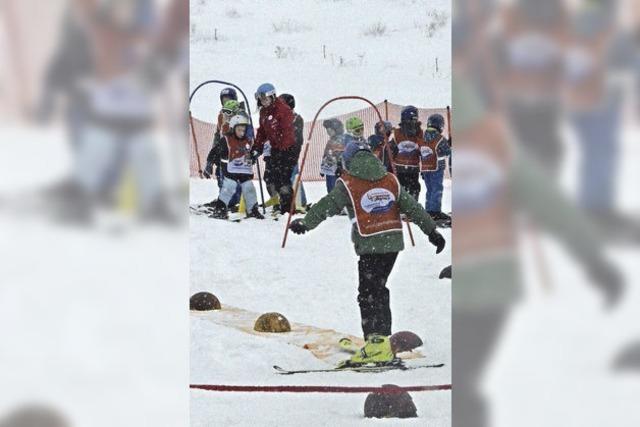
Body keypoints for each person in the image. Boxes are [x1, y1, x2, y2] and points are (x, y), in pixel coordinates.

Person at [288, 142, 446, 366]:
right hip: (392, 245)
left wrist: (306, 222)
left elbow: (327, 204)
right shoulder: (390, 179)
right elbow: (413, 208)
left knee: (368, 293)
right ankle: (380, 342)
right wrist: (432, 231)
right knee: (378, 289)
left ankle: (375, 344)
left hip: (371, 242)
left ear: (349, 161)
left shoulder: (348, 183)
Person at [251, 83, 297, 215]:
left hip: (286, 150)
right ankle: (277, 202)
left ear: (272, 97)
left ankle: (288, 209)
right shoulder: (264, 112)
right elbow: (262, 132)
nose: (263, 102)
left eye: (265, 99)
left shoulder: (283, 110)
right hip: (275, 150)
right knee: (269, 178)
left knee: (282, 180)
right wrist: (257, 148)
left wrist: (282, 151)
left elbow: (287, 132)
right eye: (261, 100)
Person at [207, 113, 264, 220]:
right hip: (230, 170)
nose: (242, 133)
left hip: (244, 171)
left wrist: (255, 154)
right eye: (239, 130)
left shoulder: (248, 141)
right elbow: (214, 152)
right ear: (233, 128)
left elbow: (254, 150)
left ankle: (253, 210)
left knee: (249, 188)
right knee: (229, 187)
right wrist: (209, 164)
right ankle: (221, 210)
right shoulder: (226, 140)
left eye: (244, 130)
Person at [203, 98, 243, 210]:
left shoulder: (240, 127)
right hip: (224, 161)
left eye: (228, 114)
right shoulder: (226, 127)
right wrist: (210, 161)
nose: (225, 117)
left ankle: (236, 201)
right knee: (222, 179)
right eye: (224, 113)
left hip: (236, 163)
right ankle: (225, 200)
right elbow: (219, 145)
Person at [421, 113, 451, 224]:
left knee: (429, 190)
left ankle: (429, 210)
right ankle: (435, 212)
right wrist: (450, 144)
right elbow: (447, 151)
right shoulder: (440, 138)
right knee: (437, 189)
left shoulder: (423, 136)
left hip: (425, 168)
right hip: (437, 168)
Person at [279, 93, 307, 209]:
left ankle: (300, 201)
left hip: (291, 154)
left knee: (293, 177)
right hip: (281, 154)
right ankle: (286, 200)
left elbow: (297, 138)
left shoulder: (296, 118)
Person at [391, 106, 425, 201]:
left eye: (415, 119)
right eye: (412, 119)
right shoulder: (397, 133)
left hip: (413, 167)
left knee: (414, 188)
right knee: (402, 189)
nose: (414, 122)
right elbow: (392, 150)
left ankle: (413, 208)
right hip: (400, 167)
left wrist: (425, 167)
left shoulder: (419, 133)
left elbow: (423, 149)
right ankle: (403, 208)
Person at [320, 118, 346, 193]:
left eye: (330, 130)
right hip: (329, 171)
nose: (328, 132)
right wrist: (322, 167)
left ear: (336, 129)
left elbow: (342, 155)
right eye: (327, 131)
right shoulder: (331, 140)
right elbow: (326, 154)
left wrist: (340, 167)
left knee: (335, 191)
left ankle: (337, 203)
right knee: (331, 190)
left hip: (336, 171)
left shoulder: (341, 140)